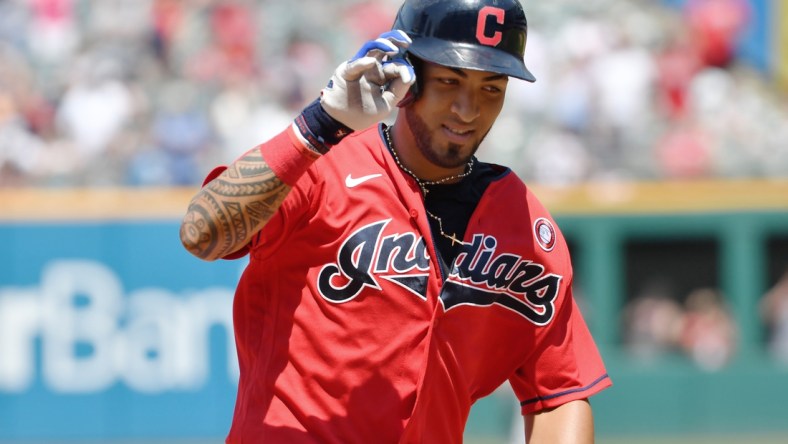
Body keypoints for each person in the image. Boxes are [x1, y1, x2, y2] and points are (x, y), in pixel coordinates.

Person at [180, 0, 611, 442]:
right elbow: (201, 232)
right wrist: (318, 126)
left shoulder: (523, 224)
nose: (468, 109)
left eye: (491, 88)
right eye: (449, 81)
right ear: (406, 76)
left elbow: (561, 392)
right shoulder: (320, 168)